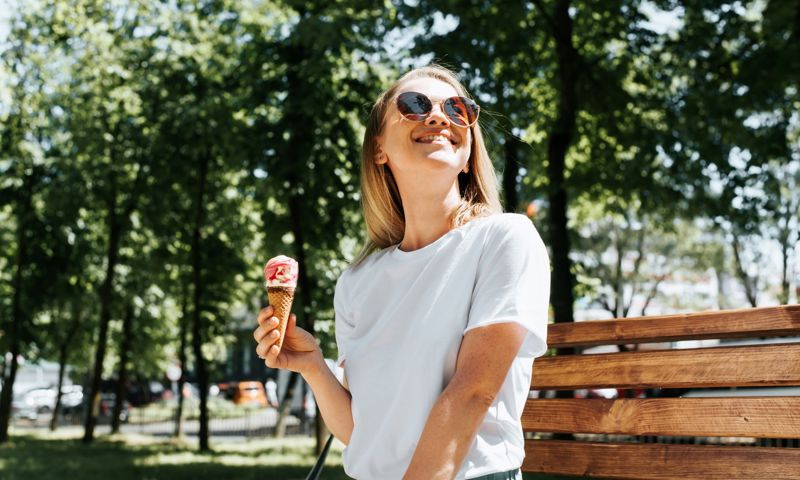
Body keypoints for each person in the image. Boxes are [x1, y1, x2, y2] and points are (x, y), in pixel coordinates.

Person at [253, 64, 550, 480]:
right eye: (415, 105)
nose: (439, 116)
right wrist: (312, 366)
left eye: (457, 108)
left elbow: (472, 394)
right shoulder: (357, 281)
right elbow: (363, 433)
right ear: (379, 149)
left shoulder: (505, 239)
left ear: (468, 153)